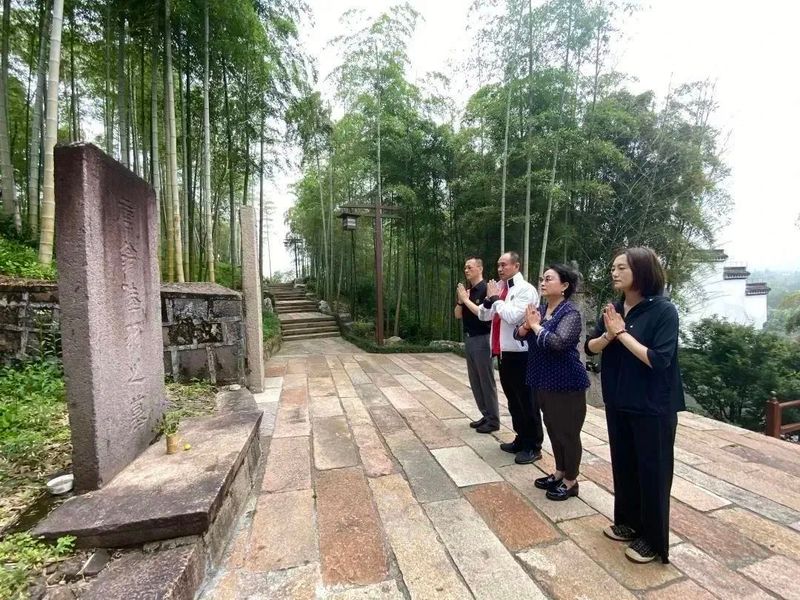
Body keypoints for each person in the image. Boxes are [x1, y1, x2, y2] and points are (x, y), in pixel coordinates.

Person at [585, 247, 685, 565]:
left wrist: (621, 333)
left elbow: (658, 359)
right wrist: (608, 336)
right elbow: (591, 345)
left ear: (641, 272)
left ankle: (653, 541)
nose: (614, 273)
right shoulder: (615, 307)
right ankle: (629, 524)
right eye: (612, 267)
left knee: (652, 474)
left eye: (621, 268)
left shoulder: (663, 311)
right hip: (620, 401)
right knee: (624, 466)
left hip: (653, 406)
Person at [514, 264, 589, 501]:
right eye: (542, 279)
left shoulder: (570, 313)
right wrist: (527, 326)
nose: (543, 283)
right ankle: (559, 472)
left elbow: (558, 343)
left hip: (567, 383)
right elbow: (519, 334)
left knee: (568, 433)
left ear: (564, 286)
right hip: (542, 380)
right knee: (554, 430)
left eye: (548, 279)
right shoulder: (542, 308)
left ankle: (571, 481)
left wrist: (534, 326)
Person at [478, 251, 544, 464]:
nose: (500, 268)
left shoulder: (526, 290)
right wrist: (489, 301)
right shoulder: (500, 288)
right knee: (513, 400)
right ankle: (520, 438)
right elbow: (483, 315)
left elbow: (513, 316)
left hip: (522, 353)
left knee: (527, 401)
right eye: (498, 265)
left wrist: (497, 300)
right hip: (503, 352)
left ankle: (533, 445)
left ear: (516, 266)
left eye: (504, 265)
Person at [455, 257, 499, 433]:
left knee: (486, 380)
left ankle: (494, 420)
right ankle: (485, 414)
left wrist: (466, 300)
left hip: (483, 338)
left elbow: (483, 314)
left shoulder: (486, 289)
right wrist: (460, 300)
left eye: (470, 267)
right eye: (465, 267)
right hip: (470, 338)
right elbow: (458, 315)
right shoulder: (468, 291)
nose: (466, 270)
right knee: (475, 380)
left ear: (480, 268)